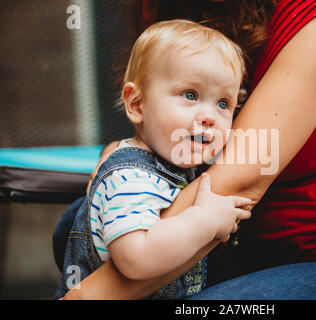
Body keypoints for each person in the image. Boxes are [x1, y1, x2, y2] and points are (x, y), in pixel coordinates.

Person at [55, 0, 316, 299]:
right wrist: (125, 153)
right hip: (248, 249)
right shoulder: (167, 4)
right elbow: (162, 108)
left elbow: (239, 182)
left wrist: (86, 295)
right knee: (79, 224)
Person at [54, 19, 252, 299]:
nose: (210, 116)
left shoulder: (178, 163)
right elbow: (136, 259)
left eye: (223, 103)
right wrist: (205, 220)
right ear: (136, 105)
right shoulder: (130, 178)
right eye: (190, 95)